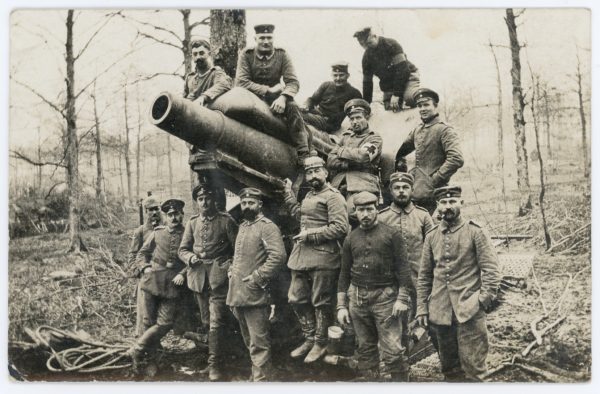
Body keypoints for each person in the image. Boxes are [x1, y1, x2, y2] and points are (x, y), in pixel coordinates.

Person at [416, 186, 500, 382]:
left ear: (461, 203)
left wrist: (482, 301)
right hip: (440, 313)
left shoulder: (475, 232)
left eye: (452, 201)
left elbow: (492, 270)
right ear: (437, 206)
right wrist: (422, 308)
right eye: (444, 202)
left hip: (469, 311)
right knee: (450, 370)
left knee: (474, 371)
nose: (448, 206)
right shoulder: (431, 236)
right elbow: (424, 276)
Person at [336, 191, 411, 381]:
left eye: (369, 209)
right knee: (365, 350)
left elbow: (404, 269)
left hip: (385, 299)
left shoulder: (392, 235)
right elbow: (344, 274)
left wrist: (402, 299)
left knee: (393, 351)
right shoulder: (350, 238)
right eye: (361, 210)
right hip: (357, 300)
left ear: (376, 209)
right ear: (356, 212)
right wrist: (341, 306)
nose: (366, 214)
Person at [282, 156, 348, 363]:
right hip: (302, 256)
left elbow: (340, 227)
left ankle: (320, 342)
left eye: (316, 171)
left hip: (324, 257)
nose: (312, 176)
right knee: (296, 297)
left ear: (326, 173)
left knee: (321, 301)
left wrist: (310, 234)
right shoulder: (310, 195)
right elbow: (300, 215)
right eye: (309, 173)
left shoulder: (333, 196)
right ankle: (309, 337)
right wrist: (288, 194)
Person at [178, 183, 238, 381]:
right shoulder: (192, 223)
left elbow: (237, 250)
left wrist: (228, 265)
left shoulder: (226, 221)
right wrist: (190, 258)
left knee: (216, 321)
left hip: (219, 278)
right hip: (198, 279)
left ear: (214, 200)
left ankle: (215, 366)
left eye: (208, 198)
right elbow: (182, 249)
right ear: (197, 202)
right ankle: (211, 360)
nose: (204, 202)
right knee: (205, 321)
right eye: (201, 199)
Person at [226, 188, 287, 381]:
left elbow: (278, 256)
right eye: (243, 203)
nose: (246, 207)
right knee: (249, 341)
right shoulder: (243, 226)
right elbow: (241, 256)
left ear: (260, 204)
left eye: (251, 203)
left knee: (259, 343)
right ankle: (258, 376)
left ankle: (261, 382)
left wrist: (258, 276)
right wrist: (232, 269)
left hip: (256, 294)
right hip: (237, 293)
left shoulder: (267, 227)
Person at [235, 24, 312, 162]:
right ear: (255, 39)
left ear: (273, 38)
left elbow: (293, 82)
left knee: (293, 107)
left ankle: (303, 152)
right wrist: (267, 90)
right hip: (250, 96)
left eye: (269, 38)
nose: (266, 41)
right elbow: (241, 82)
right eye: (262, 38)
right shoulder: (247, 55)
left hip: (276, 98)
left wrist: (283, 97)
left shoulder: (282, 54)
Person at [130, 198, 187, 370]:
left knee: (165, 323)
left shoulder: (188, 233)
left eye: (176, 214)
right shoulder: (157, 232)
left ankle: (137, 348)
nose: (174, 218)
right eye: (170, 214)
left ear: (182, 215)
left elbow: (191, 258)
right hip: (152, 281)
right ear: (166, 216)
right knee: (147, 321)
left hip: (173, 284)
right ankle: (150, 361)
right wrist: (145, 268)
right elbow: (141, 254)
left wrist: (182, 273)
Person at [395, 88, 464, 215]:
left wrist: (436, 179)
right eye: (420, 106)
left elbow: (456, 158)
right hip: (417, 190)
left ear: (435, 106)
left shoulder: (444, 130)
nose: (422, 109)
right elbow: (399, 150)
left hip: (435, 192)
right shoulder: (417, 130)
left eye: (426, 105)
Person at [378, 172, 434, 313]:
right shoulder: (382, 217)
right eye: (397, 188)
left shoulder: (423, 215)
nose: (401, 191)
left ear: (412, 190)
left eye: (405, 187)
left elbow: (433, 246)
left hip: (419, 276)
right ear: (391, 191)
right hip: (391, 279)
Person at [327, 98, 382, 221]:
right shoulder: (345, 137)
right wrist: (350, 163)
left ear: (367, 117)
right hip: (338, 184)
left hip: (361, 185)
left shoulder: (374, 138)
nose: (355, 122)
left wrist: (340, 151)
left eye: (358, 117)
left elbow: (363, 156)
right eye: (352, 119)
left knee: (352, 214)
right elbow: (330, 160)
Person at [353, 27, 420, 112]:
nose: (367, 48)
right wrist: (366, 104)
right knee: (391, 109)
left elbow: (403, 70)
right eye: (363, 45)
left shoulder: (391, 44)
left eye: (369, 43)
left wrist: (397, 94)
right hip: (389, 84)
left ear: (375, 36)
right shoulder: (366, 58)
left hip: (407, 76)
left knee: (410, 99)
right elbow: (367, 83)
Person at [128, 196, 162, 338]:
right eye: (150, 210)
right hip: (147, 277)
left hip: (163, 276)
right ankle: (145, 344)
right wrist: (142, 271)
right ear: (146, 211)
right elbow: (132, 257)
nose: (154, 213)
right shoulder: (140, 232)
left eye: (156, 209)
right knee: (146, 316)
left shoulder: (165, 228)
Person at [301, 62, 362, 133]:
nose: (338, 78)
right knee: (295, 107)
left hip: (329, 123)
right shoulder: (326, 85)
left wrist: (331, 118)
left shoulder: (354, 93)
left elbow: (352, 113)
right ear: (332, 75)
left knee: (297, 114)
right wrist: (306, 105)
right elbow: (312, 99)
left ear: (347, 76)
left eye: (341, 75)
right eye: (335, 75)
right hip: (317, 115)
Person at [183, 39, 232, 106]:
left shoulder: (216, 73)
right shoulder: (190, 78)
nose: (198, 57)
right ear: (192, 57)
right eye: (195, 54)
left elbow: (223, 84)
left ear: (209, 54)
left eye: (201, 53)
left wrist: (203, 97)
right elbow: (184, 99)